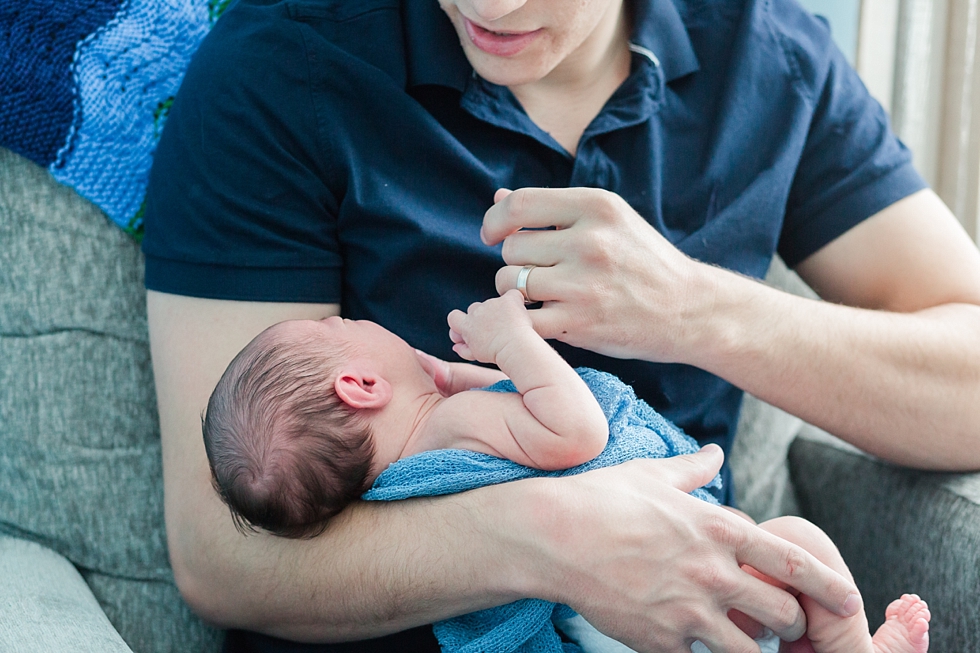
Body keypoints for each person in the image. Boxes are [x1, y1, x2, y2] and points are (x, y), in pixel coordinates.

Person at [141, 0, 980, 650]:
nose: (491, 7)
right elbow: (222, 551)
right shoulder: (282, 67)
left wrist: (696, 309)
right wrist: (553, 537)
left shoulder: (767, 54)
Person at [200, 290, 930, 653]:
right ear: (361, 386)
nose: (354, 319)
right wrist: (512, 341)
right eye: (341, 329)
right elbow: (573, 431)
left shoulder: (403, 478)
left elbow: (489, 448)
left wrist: (458, 381)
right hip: (637, 585)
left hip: (596, 626)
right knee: (800, 542)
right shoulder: (458, 425)